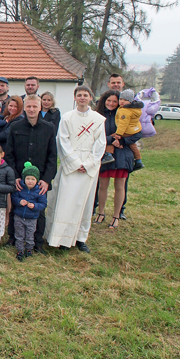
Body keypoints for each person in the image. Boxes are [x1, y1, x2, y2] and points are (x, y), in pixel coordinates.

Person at [44, 85, 107, 252]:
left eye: (85, 95)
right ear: (75, 98)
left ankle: (80, 237)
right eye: (79, 95)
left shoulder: (98, 119)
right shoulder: (67, 117)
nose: (82, 98)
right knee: (65, 201)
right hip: (71, 166)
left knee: (84, 203)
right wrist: (75, 162)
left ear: (90, 98)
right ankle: (60, 237)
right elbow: (62, 140)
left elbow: (100, 145)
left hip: (89, 167)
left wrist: (87, 164)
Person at [3, 94, 57, 254]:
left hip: (40, 180)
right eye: (29, 106)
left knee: (39, 211)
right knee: (15, 208)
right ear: (24, 107)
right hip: (19, 177)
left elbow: (52, 156)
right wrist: (15, 176)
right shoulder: (15, 127)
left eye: (35, 106)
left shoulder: (49, 128)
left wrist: (47, 180)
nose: (32, 109)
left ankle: (37, 242)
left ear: (40, 107)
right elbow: (9, 154)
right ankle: (13, 238)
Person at [94, 90, 134, 230]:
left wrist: (122, 139)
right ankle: (100, 213)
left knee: (120, 186)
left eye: (114, 101)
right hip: (105, 154)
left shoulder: (125, 115)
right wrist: (111, 140)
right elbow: (95, 136)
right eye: (108, 101)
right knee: (102, 186)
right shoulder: (98, 116)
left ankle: (116, 216)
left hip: (122, 154)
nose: (111, 104)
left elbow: (136, 133)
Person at [10, 162, 47, 261]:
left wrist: (35, 206)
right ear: (23, 179)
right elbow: (13, 198)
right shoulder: (20, 189)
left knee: (30, 235)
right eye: (28, 179)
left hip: (32, 218)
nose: (30, 181)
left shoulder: (39, 191)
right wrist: (19, 201)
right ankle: (20, 250)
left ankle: (29, 249)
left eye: (33, 179)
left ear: (37, 180)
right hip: (19, 217)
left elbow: (43, 204)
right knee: (19, 234)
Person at [104, 89, 144, 170]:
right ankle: (139, 160)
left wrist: (118, 135)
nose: (122, 102)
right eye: (121, 99)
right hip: (133, 130)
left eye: (125, 100)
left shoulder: (124, 110)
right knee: (133, 145)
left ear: (130, 101)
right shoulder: (135, 110)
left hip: (125, 131)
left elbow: (123, 124)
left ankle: (108, 154)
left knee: (112, 138)